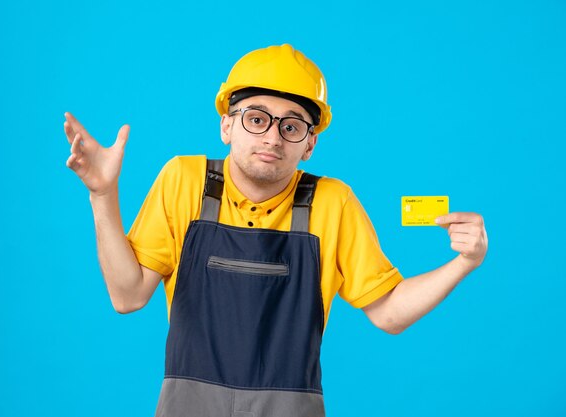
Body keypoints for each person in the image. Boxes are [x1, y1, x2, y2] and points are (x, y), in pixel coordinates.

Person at [63, 44, 488, 417]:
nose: (272, 137)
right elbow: (127, 295)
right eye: (257, 119)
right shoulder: (184, 180)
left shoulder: (331, 202)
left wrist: (464, 263)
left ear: (309, 144)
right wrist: (103, 194)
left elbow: (390, 312)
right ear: (227, 126)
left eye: (291, 125)